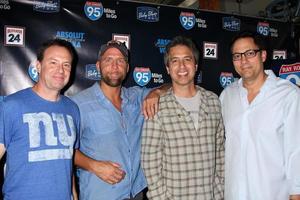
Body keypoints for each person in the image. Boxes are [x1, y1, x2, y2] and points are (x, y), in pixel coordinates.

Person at [71, 40, 167, 200]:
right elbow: (65, 150)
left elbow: (171, 88)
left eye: (120, 60)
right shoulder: (79, 104)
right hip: (100, 194)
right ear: (98, 66)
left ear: (128, 68)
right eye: (108, 60)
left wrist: (156, 93)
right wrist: (94, 166)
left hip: (136, 193)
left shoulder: (136, 97)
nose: (114, 66)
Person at [141, 36, 225, 200]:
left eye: (187, 59)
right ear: (167, 68)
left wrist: (220, 190)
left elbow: (220, 150)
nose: (182, 66)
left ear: (195, 64)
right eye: (175, 61)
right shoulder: (157, 106)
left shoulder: (213, 101)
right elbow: (150, 160)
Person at [220, 31, 300, 200]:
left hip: (273, 194)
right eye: (237, 56)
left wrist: (296, 193)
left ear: (263, 55)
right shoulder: (227, 96)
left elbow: (296, 150)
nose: (243, 61)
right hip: (234, 194)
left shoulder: (288, 94)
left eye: (250, 53)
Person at [0, 38, 80, 199]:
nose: (60, 70)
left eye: (66, 64)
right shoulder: (11, 105)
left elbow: (66, 160)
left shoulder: (72, 109)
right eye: (53, 63)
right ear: (38, 66)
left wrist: (74, 196)